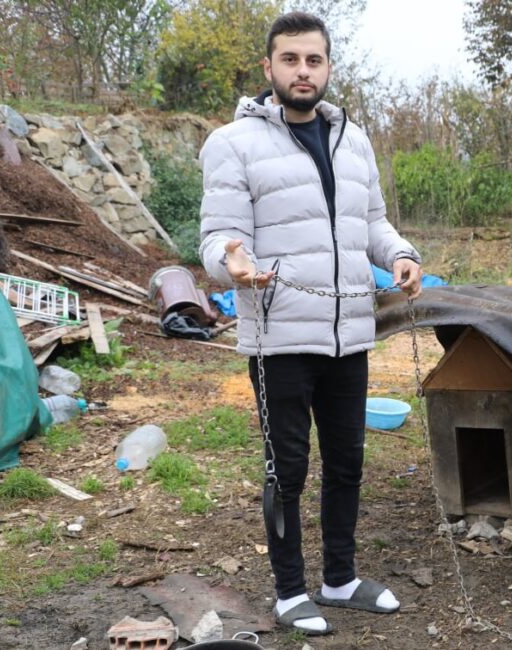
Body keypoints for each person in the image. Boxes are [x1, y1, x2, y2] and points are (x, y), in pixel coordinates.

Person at [197, 11, 422, 635]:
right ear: (269, 68)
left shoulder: (355, 138)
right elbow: (219, 238)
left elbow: (372, 223)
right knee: (287, 468)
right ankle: (291, 590)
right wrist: (231, 263)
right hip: (279, 336)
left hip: (349, 330)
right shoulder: (232, 143)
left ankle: (340, 578)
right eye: (290, 60)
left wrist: (401, 255)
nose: (303, 71)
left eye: (313, 60)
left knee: (347, 461)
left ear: (327, 67)